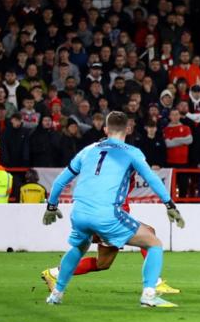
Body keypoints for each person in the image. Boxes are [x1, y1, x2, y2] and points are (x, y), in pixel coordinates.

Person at [42, 111, 185, 307]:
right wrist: (169, 204)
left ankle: (56, 294)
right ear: (127, 129)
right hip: (106, 215)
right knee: (153, 243)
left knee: (79, 247)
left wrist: (51, 206)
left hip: (79, 213)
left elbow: (59, 181)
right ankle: (149, 294)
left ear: (105, 129)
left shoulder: (87, 150)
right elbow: (152, 179)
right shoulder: (131, 152)